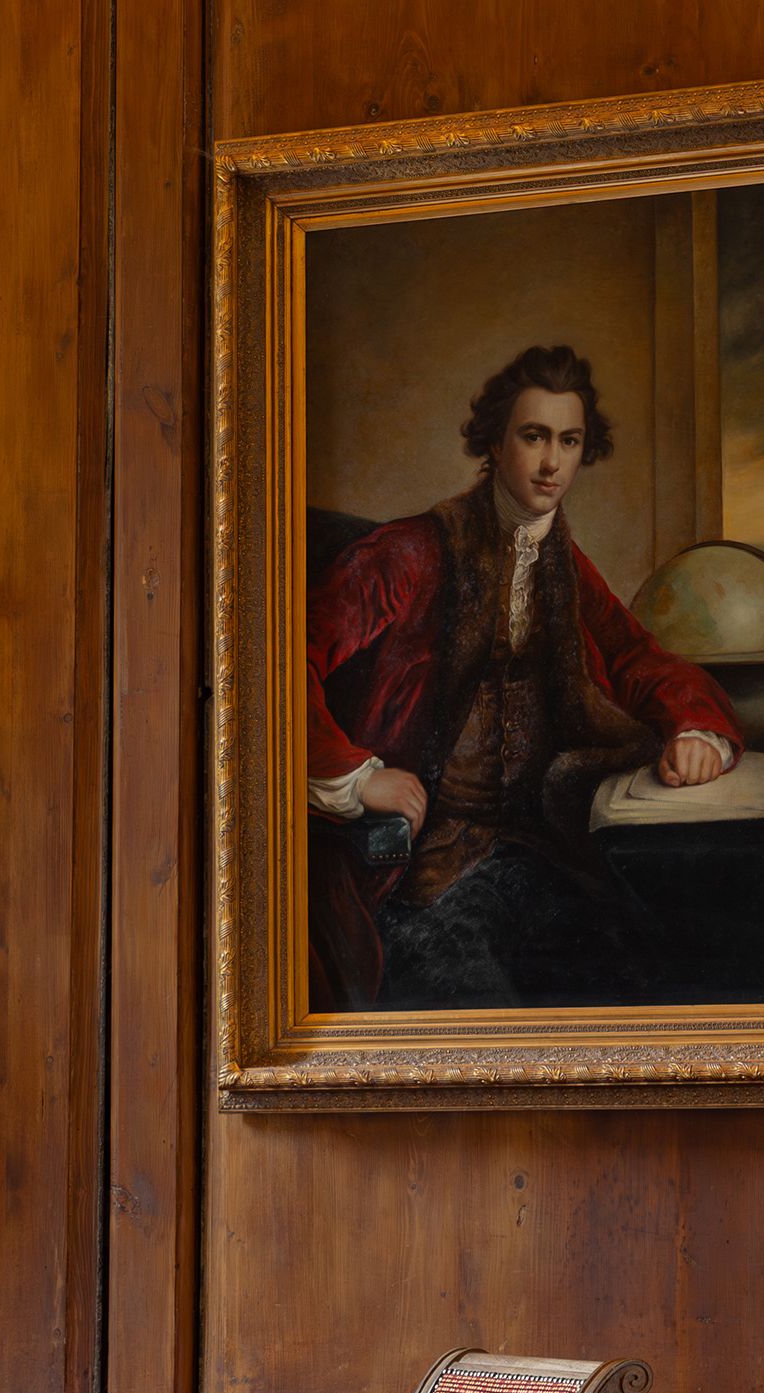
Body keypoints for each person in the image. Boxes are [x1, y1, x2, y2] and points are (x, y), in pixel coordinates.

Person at [305, 343, 741, 1007]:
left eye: (569, 441)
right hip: (420, 873)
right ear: (494, 441)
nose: (551, 463)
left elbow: (636, 657)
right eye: (534, 436)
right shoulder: (408, 552)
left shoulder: (563, 562)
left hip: (535, 851)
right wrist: (359, 777)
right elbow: (277, 663)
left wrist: (696, 731)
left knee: (650, 981)